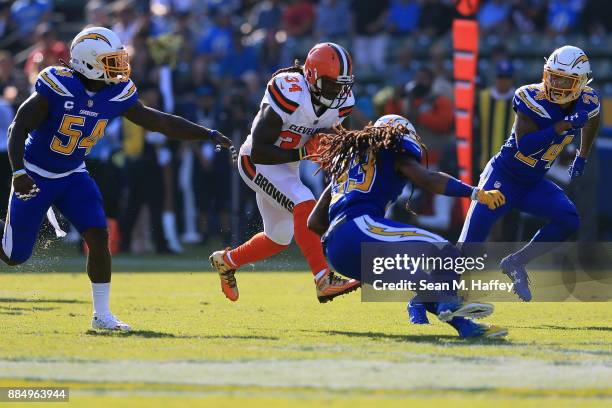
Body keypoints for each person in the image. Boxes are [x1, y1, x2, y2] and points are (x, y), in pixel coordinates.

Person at [2, 26, 236, 331]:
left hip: (73, 173)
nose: (119, 66)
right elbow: (17, 127)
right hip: (35, 173)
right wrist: (19, 171)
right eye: (110, 60)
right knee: (13, 256)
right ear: (88, 61)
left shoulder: (117, 92)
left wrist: (205, 133)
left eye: (118, 59)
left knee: (99, 235)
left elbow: (158, 120)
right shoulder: (57, 85)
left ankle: (102, 315)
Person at [307, 115, 508, 338]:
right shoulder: (390, 151)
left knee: (421, 279)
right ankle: (448, 303)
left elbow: (314, 222)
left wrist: (344, 248)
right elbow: (428, 179)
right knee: (445, 250)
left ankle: (467, 328)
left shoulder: (345, 165)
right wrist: (474, 192)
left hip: (336, 250)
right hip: (359, 227)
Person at [209, 43, 360, 303]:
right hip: (256, 163)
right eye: (332, 84)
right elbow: (259, 150)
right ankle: (323, 278)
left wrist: (331, 150)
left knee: (278, 238)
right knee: (305, 203)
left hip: (286, 168)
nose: (339, 92)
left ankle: (227, 261)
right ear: (312, 76)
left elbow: (327, 140)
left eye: (342, 85)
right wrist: (305, 153)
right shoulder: (290, 90)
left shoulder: (342, 103)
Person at [459, 46, 601, 301]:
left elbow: (593, 119)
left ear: (579, 82)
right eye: (552, 75)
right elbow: (525, 144)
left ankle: (516, 262)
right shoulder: (530, 97)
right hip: (503, 177)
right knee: (469, 243)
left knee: (569, 219)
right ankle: (426, 297)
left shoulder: (588, 100)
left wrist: (582, 154)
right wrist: (563, 125)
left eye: (564, 79)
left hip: (533, 183)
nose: (555, 83)